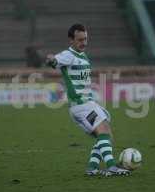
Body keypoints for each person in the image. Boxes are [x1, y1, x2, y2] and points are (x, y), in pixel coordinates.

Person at [46, 24, 130, 176]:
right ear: (71, 40)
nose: (84, 43)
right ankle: (111, 166)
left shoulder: (83, 55)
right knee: (103, 130)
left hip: (88, 104)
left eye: (85, 39)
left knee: (106, 135)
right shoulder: (68, 55)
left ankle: (92, 168)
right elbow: (55, 61)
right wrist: (51, 59)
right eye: (80, 40)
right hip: (81, 105)